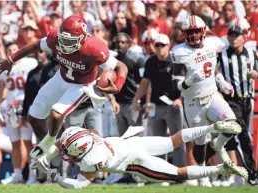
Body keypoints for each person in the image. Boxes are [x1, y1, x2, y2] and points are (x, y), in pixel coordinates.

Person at [0, 15, 128, 173]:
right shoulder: (56, 37)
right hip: (61, 77)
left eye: (70, 41)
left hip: (82, 85)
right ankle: (50, 152)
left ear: (83, 37)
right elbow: (35, 46)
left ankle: (47, 144)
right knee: (34, 116)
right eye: (63, 39)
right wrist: (11, 59)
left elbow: (121, 67)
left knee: (56, 115)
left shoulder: (95, 48)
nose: (64, 44)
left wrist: (117, 86)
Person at [43, 121, 245, 189]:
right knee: (172, 141)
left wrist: (57, 177)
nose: (64, 151)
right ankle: (212, 127)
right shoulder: (88, 138)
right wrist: (45, 154)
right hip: (132, 143)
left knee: (178, 174)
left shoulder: (88, 160)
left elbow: (79, 185)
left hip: (136, 162)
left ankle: (222, 168)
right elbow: (65, 143)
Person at [170, 15, 247, 186]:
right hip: (192, 103)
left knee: (232, 123)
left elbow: (213, 68)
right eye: (190, 32)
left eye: (197, 31)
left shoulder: (213, 43)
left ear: (204, 31)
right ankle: (203, 173)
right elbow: (176, 85)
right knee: (199, 142)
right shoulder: (179, 51)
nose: (194, 35)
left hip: (212, 96)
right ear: (184, 33)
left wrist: (222, 82)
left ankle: (218, 144)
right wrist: (190, 80)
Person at [216, 25, 258, 186]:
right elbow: (212, 72)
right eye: (231, 35)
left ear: (244, 37)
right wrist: (220, 83)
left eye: (237, 35)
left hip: (247, 101)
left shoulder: (252, 54)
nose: (234, 38)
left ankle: (237, 173)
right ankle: (251, 173)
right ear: (227, 38)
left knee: (240, 137)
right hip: (230, 101)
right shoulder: (221, 55)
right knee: (241, 134)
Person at [133, 34, 186, 168]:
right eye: (157, 45)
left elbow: (185, 83)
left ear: (169, 46)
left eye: (163, 45)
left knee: (177, 140)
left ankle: (181, 173)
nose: (160, 48)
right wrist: (136, 99)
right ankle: (161, 173)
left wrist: (180, 100)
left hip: (173, 105)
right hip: (156, 106)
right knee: (158, 142)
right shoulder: (151, 61)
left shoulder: (176, 61)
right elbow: (145, 83)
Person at [0, 42, 38, 184]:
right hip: (11, 110)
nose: (12, 52)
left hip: (25, 108)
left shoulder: (30, 63)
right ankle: (17, 174)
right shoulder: (5, 67)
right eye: (9, 50)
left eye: (15, 49)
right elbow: (0, 91)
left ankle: (32, 175)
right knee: (15, 143)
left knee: (27, 142)